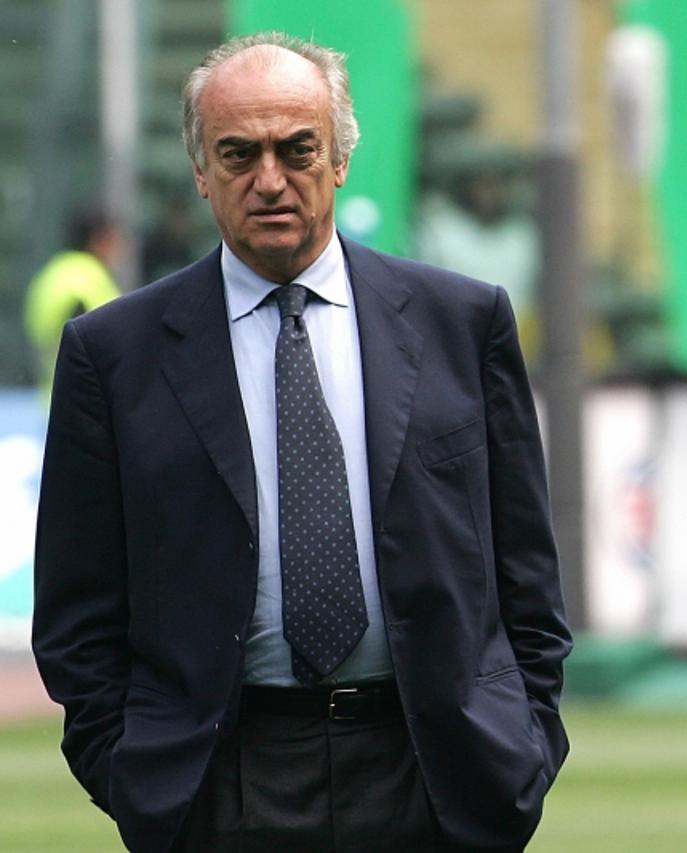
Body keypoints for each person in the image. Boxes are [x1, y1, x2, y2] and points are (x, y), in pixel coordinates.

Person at [32, 32, 570, 853]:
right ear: (201, 172)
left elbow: (526, 571)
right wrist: (130, 772)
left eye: (297, 148)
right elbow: (76, 612)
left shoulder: (462, 322)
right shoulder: (113, 355)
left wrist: (525, 738)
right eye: (239, 153)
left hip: (435, 767)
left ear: (340, 159)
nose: (270, 179)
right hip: (219, 777)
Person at [24, 208, 122, 397]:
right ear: (99, 239)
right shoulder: (89, 279)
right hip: (85, 398)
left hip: (50, 396)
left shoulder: (51, 273)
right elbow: (85, 342)